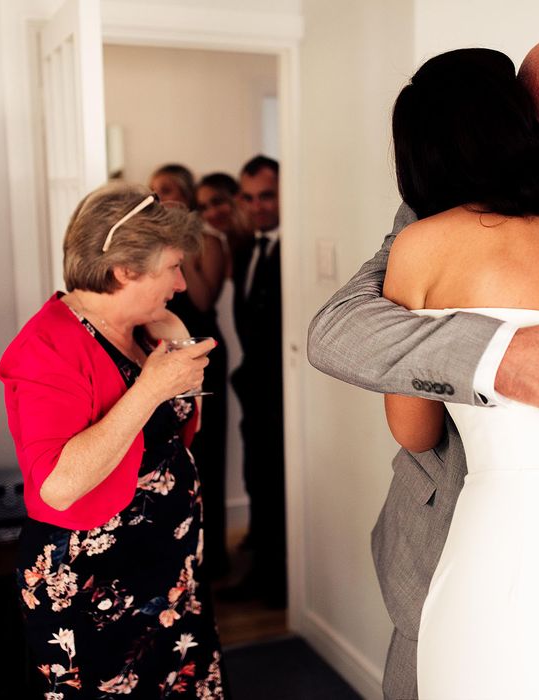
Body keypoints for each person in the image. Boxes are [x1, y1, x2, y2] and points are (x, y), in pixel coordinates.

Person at [307, 30, 539, 699]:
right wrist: (491, 355)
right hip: (459, 545)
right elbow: (339, 329)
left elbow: (413, 431)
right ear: (519, 128)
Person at [0, 182, 226, 698]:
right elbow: (57, 486)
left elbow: (180, 433)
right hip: (97, 589)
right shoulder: (44, 349)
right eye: (172, 267)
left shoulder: (149, 327)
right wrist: (150, 388)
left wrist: (177, 345)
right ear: (125, 270)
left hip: (170, 572)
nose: (183, 283)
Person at [150, 164, 231, 578]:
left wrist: (187, 246)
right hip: (167, 355)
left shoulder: (210, 243)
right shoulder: (155, 248)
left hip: (205, 350)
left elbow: (200, 299)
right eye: (153, 190)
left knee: (208, 452)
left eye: (166, 189)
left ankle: (213, 553)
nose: (158, 196)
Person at [226, 155, 285, 606]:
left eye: (266, 195)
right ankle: (261, 566)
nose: (257, 206)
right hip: (253, 391)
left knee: (274, 486)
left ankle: (274, 580)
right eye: (249, 197)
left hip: (281, 397)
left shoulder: (289, 252)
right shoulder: (249, 247)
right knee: (255, 479)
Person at [196, 172, 254, 270]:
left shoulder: (259, 245)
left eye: (218, 202)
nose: (212, 213)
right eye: (203, 208)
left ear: (238, 198)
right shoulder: (226, 247)